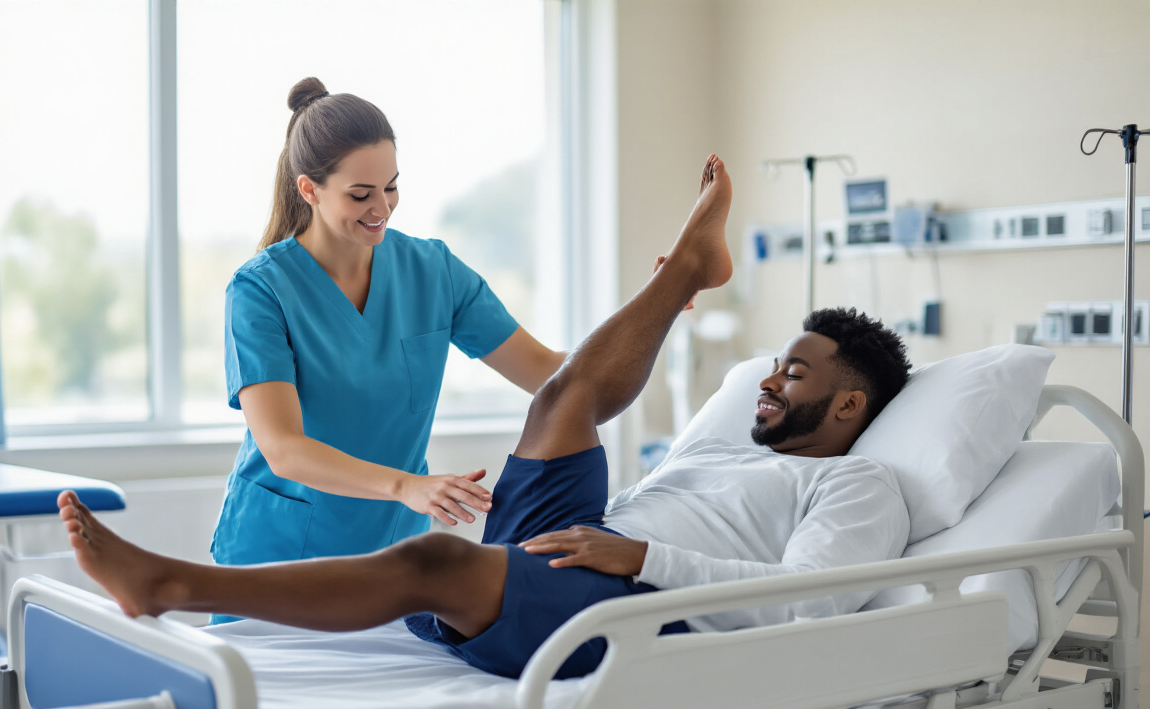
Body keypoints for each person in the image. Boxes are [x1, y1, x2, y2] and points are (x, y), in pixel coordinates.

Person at [58, 155, 913, 680]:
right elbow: (561, 376)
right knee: (563, 401)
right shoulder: (726, 451)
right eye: (363, 192)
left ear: (848, 404)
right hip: (589, 548)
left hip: (637, 598)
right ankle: (688, 268)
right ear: (309, 191)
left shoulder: (861, 483)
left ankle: (169, 584)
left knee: (434, 559)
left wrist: (643, 556)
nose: (765, 384)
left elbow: (810, 608)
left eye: (791, 373)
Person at [215, 76, 565, 576]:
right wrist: (409, 486)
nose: (381, 209)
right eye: (360, 195)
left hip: (394, 557)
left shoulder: (432, 271)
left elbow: (548, 372)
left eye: (391, 187)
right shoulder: (260, 291)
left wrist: (649, 317)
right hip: (279, 558)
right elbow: (285, 450)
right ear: (309, 189)